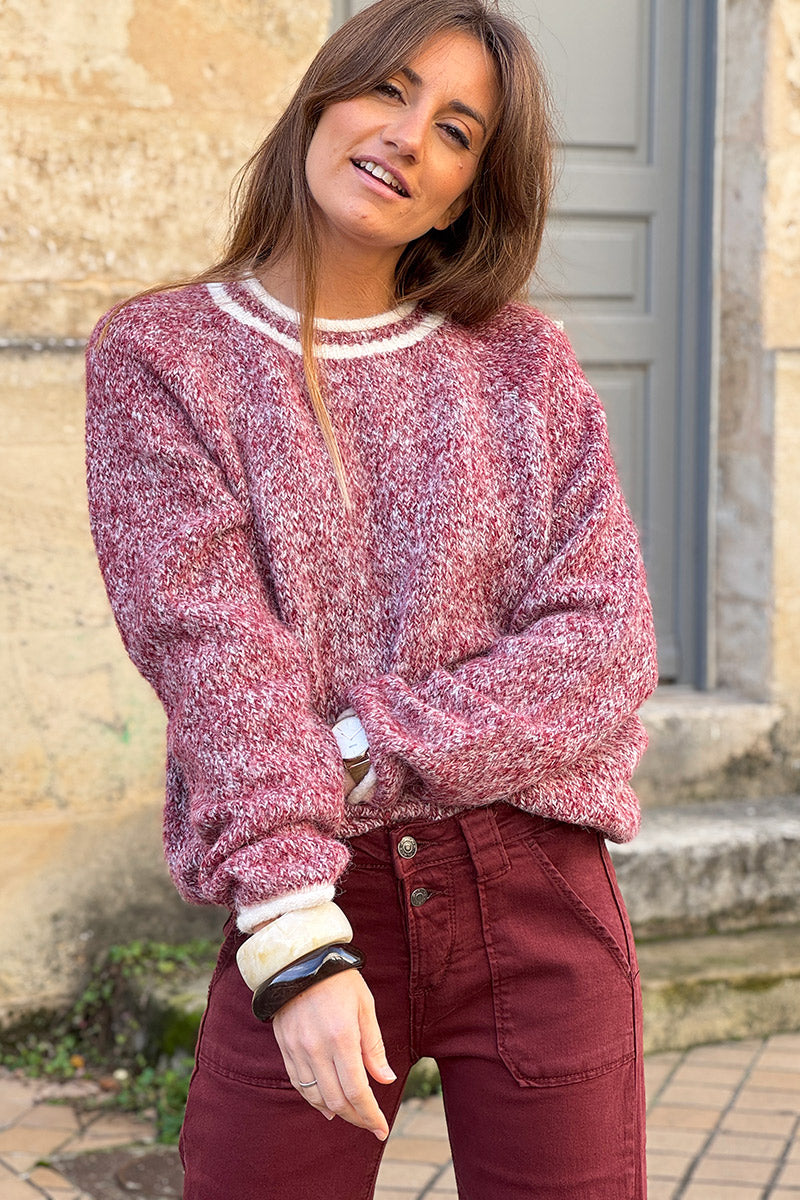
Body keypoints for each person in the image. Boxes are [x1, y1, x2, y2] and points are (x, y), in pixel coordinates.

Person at [85, 0, 658, 1195]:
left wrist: (348, 744)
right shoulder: (161, 357)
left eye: (455, 130)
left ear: (461, 195)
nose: (407, 135)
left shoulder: (519, 365)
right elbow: (211, 653)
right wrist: (292, 939)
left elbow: (603, 648)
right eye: (387, 90)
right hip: (309, 883)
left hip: (535, 884)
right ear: (319, 102)